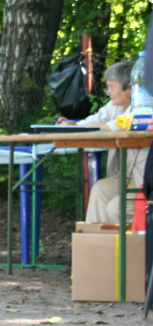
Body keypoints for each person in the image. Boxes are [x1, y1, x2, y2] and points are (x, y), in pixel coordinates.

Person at [56, 61, 149, 223]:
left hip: (144, 180)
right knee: (100, 188)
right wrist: (73, 125)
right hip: (125, 177)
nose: (108, 92)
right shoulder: (115, 106)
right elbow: (96, 120)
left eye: (112, 87)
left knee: (115, 208)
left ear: (129, 88)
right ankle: (94, 237)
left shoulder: (144, 108)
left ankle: (131, 239)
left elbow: (114, 126)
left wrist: (77, 127)